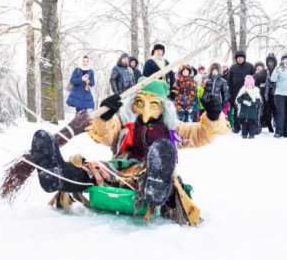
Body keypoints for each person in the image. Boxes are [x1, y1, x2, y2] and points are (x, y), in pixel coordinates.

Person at [30, 78, 229, 226]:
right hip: (121, 170)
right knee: (93, 171)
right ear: (133, 102)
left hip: (152, 173)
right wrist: (105, 117)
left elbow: (200, 134)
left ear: (163, 107)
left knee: (162, 170)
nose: (145, 111)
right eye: (140, 103)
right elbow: (106, 134)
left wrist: (213, 115)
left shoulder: (172, 129)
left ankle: (157, 185)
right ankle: (58, 174)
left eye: (153, 105)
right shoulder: (124, 123)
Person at [227, 50, 255, 133]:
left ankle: (247, 127)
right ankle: (236, 126)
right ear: (236, 58)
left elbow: (254, 79)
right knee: (236, 110)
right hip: (236, 92)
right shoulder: (233, 67)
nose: (240, 59)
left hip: (247, 92)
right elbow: (229, 81)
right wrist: (230, 93)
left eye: (241, 58)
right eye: (238, 58)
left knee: (247, 109)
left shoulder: (250, 66)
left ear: (244, 58)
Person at [254, 55, 278, 133]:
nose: (270, 63)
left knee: (276, 111)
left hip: (276, 95)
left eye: (272, 62)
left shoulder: (278, 71)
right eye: (269, 62)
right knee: (262, 110)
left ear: (275, 63)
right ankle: (259, 126)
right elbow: (254, 77)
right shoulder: (264, 72)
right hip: (265, 94)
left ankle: (278, 128)